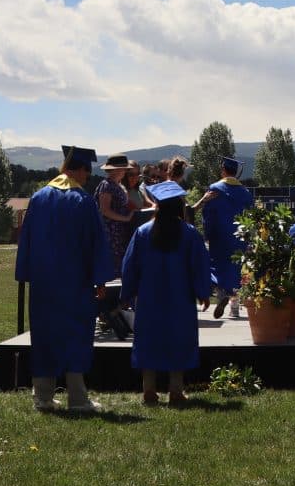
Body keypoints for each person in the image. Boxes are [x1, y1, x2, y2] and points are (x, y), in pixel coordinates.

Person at [15, 145, 116, 414]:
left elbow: (26, 239)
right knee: (75, 334)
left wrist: (24, 272)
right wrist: (101, 279)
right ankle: (78, 398)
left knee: (45, 334)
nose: (87, 177)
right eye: (87, 171)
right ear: (78, 169)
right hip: (75, 281)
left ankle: (43, 396)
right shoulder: (82, 201)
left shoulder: (39, 198)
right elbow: (96, 242)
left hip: (44, 282)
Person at [120, 181, 211, 406]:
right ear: (179, 208)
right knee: (178, 338)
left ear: (158, 206)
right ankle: (176, 390)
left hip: (149, 296)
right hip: (179, 297)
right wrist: (202, 292)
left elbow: (130, 265)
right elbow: (199, 265)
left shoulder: (143, 232)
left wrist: (127, 292)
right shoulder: (189, 233)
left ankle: (149, 389)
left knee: (149, 339)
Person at [195, 157, 252, 320]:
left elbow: (208, 213)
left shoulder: (215, 188)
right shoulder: (246, 193)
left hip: (219, 235)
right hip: (239, 236)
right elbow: (251, 215)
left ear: (223, 170)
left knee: (217, 267)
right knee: (236, 269)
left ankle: (222, 295)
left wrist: (208, 233)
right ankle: (234, 305)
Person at [95, 155, 138, 275]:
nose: (125, 171)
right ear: (115, 170)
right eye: (124, 169)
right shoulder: (106, 185)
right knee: (113, 264)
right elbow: (104, 210)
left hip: (120, 232)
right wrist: (126, 218)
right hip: (110, 233)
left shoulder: (119, 185)